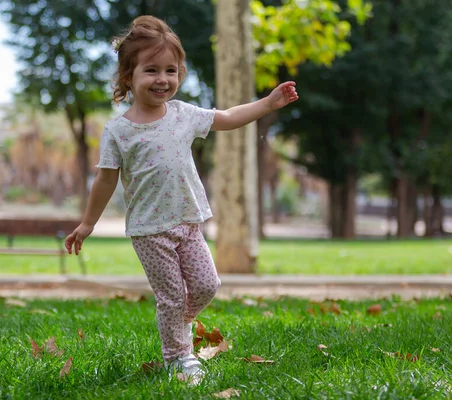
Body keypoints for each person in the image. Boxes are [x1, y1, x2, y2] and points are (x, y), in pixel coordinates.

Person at [64, 15, 298, 385]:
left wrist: (267, 104)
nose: (163, 79)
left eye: (171, 70)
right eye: (151, 70)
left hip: (188, 221)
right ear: (129, 76)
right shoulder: (118, 131)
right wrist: (88, 223)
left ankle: (175, 325)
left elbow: (227, 116)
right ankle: (178, 357)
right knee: (171, 296)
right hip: (149, 230)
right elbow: (105, 179)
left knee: (207, 286)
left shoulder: (183, 114)